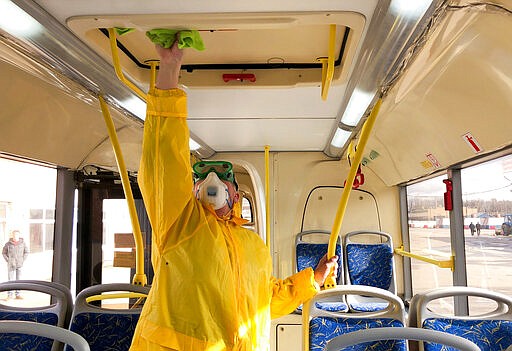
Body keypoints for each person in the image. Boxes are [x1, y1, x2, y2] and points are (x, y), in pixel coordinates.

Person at [130, 38, 338, 351]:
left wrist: (316, 277)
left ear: (237, 198)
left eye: (225, 178)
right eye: (200, 176)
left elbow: (267, 299)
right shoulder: (180, 225)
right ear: (191, 189)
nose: (211, 180)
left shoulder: (254, 246)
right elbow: (163, 164)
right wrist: (169, 72)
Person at [2, 229, 29, 299]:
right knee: (10, 280)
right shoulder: (8, 244)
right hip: (11, 265)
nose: (15, 236)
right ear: (12, 235)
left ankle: (18, 294)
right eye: (14, 235)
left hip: (19, 264)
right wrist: (8, 260)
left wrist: (23, 259)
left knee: (18, 280)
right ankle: (9, 295)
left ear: (19, 235)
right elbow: (3, 252)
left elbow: (26, 252)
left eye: (17, 235)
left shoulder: (23, 243)